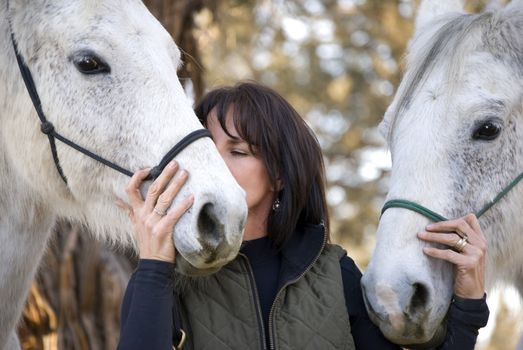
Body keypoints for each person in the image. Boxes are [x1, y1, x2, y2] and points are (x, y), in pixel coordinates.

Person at [116, 82, 489, 349]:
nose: (212, 163)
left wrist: (468, 303)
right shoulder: (165, 279)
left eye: (239, 151)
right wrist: (153, 267)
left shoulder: (333, 274)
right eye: (206, 148)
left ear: (279, 175)